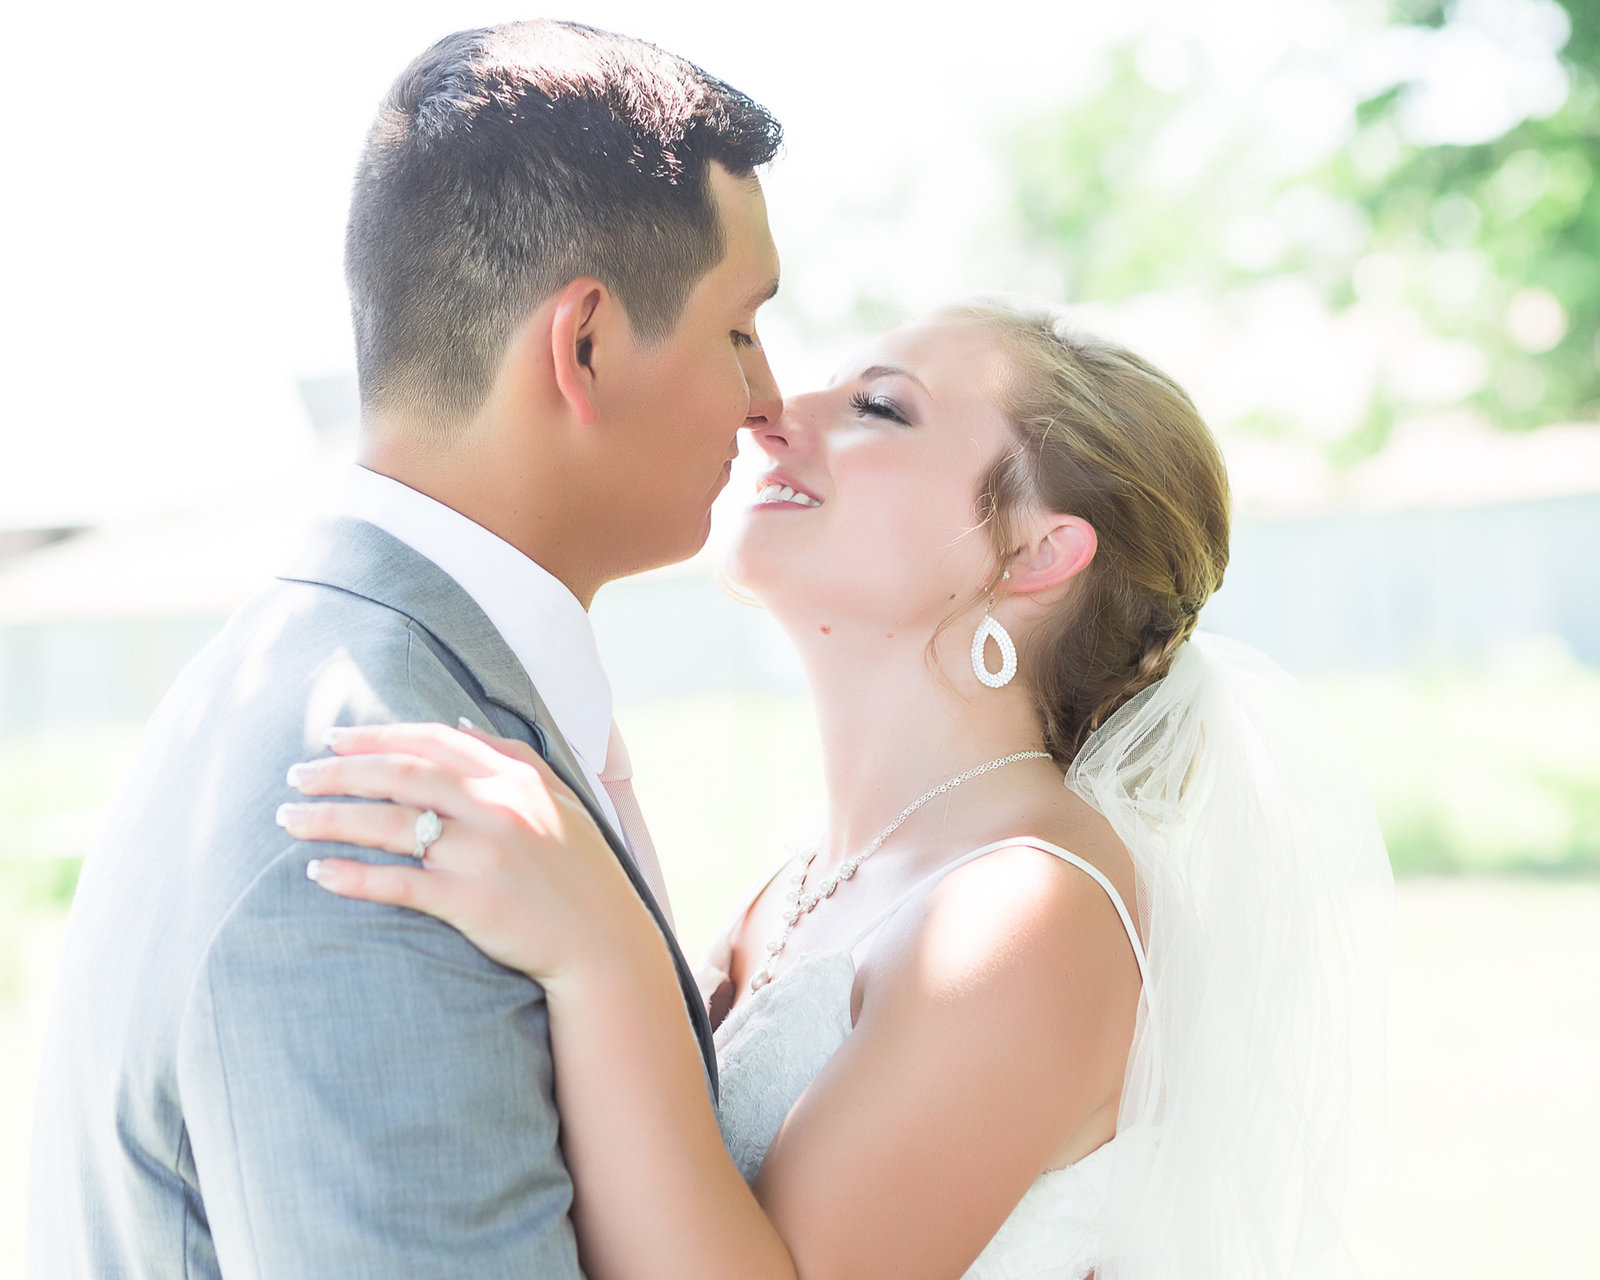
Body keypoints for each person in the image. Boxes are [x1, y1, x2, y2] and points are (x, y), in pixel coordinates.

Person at [281, 301, 1395, 1278]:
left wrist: (601, 946)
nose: (769, 410)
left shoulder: (1029, 908)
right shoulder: (803, 883)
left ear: (1038, 553)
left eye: (881, 407)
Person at [28, 20, 782, 1278]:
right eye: (742, 329)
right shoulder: (376, 807)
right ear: (584, 344)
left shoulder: (360, 674)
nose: (770, 402)